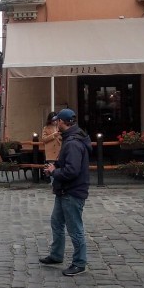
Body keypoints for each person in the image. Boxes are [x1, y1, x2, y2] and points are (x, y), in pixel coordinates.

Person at [39, 108, 91, 276]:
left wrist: (54, 171)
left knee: (75, 228)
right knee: (56, 222)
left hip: (72, 191)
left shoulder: (74, 143)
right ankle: (56, 255)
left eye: (58, 121)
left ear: (62, 122)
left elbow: (72, 171)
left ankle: (79, 263)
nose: (56, 124)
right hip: (63, 190)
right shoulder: (71, 138)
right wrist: (54, 169)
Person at [40, 112, 62, 182]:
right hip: (50, 151)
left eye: (56, 120)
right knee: (51, 166)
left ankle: (59, 183)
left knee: (59, 166)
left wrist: (59, 136)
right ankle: (52, 182)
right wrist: (53, 135)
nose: (55, 121)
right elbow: (44, 139)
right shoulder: (46, 128)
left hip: (59, 149)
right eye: (53, 120)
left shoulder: (60, 127)